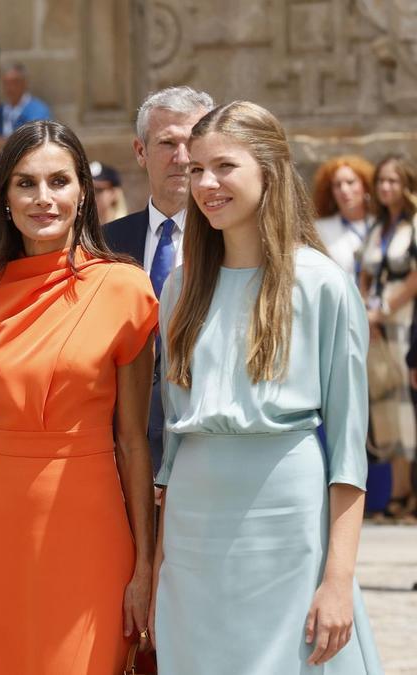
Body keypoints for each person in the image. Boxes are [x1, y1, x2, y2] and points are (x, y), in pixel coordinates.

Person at [154, 100, 383, 674]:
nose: (205, 183)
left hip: (290, 525)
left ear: (269, 170)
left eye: (224, 166)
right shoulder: (180, 289)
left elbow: (350, 452)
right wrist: (159, 565)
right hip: (192, 532)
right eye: (197, 169)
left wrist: (337, 580)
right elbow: (174, 445)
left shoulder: (324, 284)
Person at [0, 120, 156, 673]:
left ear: (83, 191)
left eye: (59, 181)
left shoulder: (124, 288)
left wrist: (145, 567)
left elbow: (133, 443)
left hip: (93, 529)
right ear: (4, 198)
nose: (44, 198)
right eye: (25, 183)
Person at [104, 85, 214, 472]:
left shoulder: (233, 245)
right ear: (140, 152)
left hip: (206, 451)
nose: (182, 158)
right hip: (122, 454)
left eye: (193, 143)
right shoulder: (104, 244)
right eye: (168, 143)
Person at [360, 154, 417, 522]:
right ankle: (399, 492)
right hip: (377, 327)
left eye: (393, 181)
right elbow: (365, 274)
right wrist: (368, 311)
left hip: (405, 324)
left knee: (409, 409)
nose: (386, 188)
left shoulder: (413, 224)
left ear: (406, 184)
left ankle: (411, 495)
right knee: (386, 410)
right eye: (381, 181)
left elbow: (414, 277)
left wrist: (382, 310)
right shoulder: (377, 227)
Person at [313, 156, 374, 278]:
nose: (344, 189)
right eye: (337, 185)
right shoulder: (319, 229)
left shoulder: (381, 223)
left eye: (351, 182)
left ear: (365, 186)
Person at [0, 64, 52, 156]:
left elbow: (35, 143)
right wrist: (17, 142)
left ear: (25, 83)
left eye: (15, 82)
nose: (10, 87)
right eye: (6, 83)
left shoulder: (38, 109)